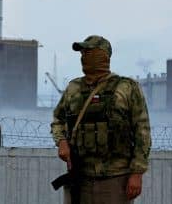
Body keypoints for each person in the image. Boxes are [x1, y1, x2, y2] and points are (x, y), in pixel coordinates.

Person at [51, 35, 151, 204]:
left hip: (115, 179)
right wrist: (61, 141)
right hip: (80, 177)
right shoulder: (74, 88)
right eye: (82, 53)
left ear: (103, 55)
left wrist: (137, 173)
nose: (84, 57)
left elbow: (142, 131)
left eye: (89, 52)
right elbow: (58, 120)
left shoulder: (126, 87)